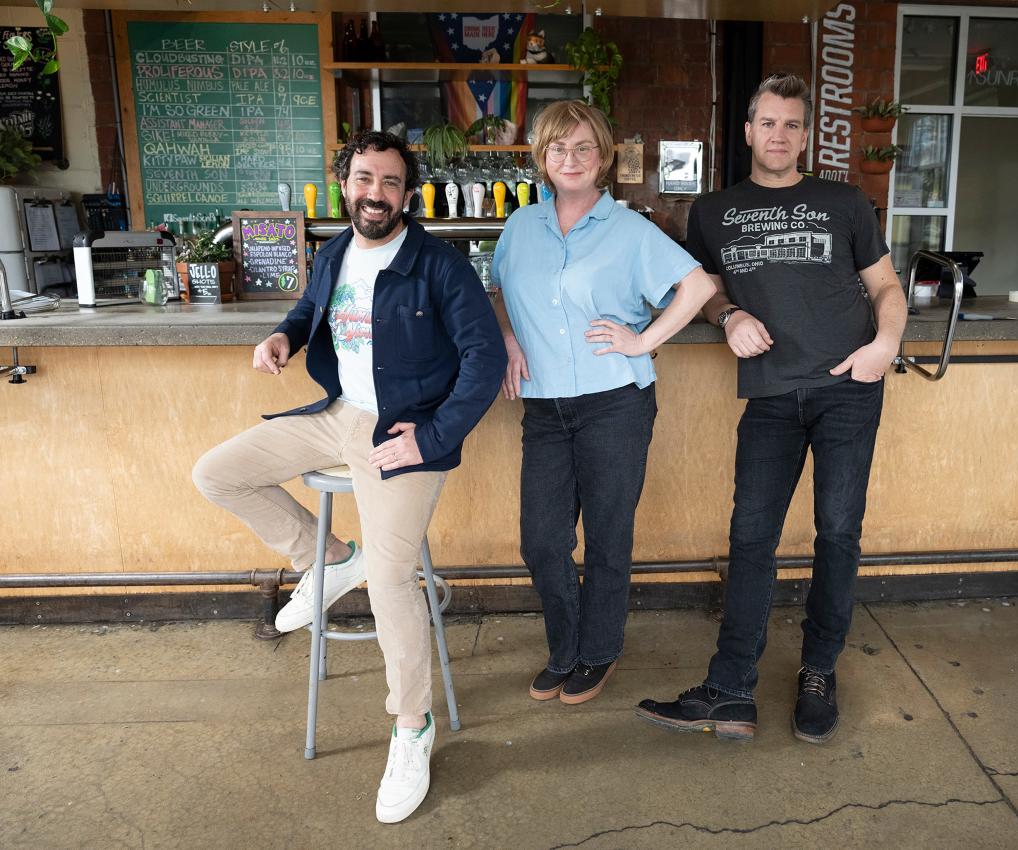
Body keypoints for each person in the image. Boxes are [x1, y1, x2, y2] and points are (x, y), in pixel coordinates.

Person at [192, 130, 506, 822]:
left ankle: (411, 727)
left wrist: (431, 436)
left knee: (394, 582)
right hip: (333, 414)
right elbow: (312, 312)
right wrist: (283, 335)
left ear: (407, 193)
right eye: (365, 179)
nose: (376, 193)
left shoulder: (438, 265)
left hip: (400, 431)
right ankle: (330, 559)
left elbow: (482, 362)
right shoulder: (333, 250)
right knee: (216, 473)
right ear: (346, 183)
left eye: (391, 182)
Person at [635, 74, 907, 743]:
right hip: (768, 394)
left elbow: (886, 286)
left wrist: (886, 345)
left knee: (837, 533)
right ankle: (730, 691)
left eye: (791, 125)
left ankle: (818, 671)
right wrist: (727, 315)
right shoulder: (713, 210)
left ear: (805, 136)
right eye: (767, 123)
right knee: (750, 539)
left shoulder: (844, 202)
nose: (778, 135)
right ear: (748, 130)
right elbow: (697, 288)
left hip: (847, 387)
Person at [491, 100, 716, 705]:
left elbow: (698, 287)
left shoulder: (630, 230)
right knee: (541, 540)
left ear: (603, 157)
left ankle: (599, 651)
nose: (571, 159)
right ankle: (564, 650)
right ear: (542, 157)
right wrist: (509, 337)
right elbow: (497, 287)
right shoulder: (520, 228)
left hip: (615, 403)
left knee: (609, 536)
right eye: (558, 148)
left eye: (583, 147)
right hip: (544, 407)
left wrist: (642, 339)